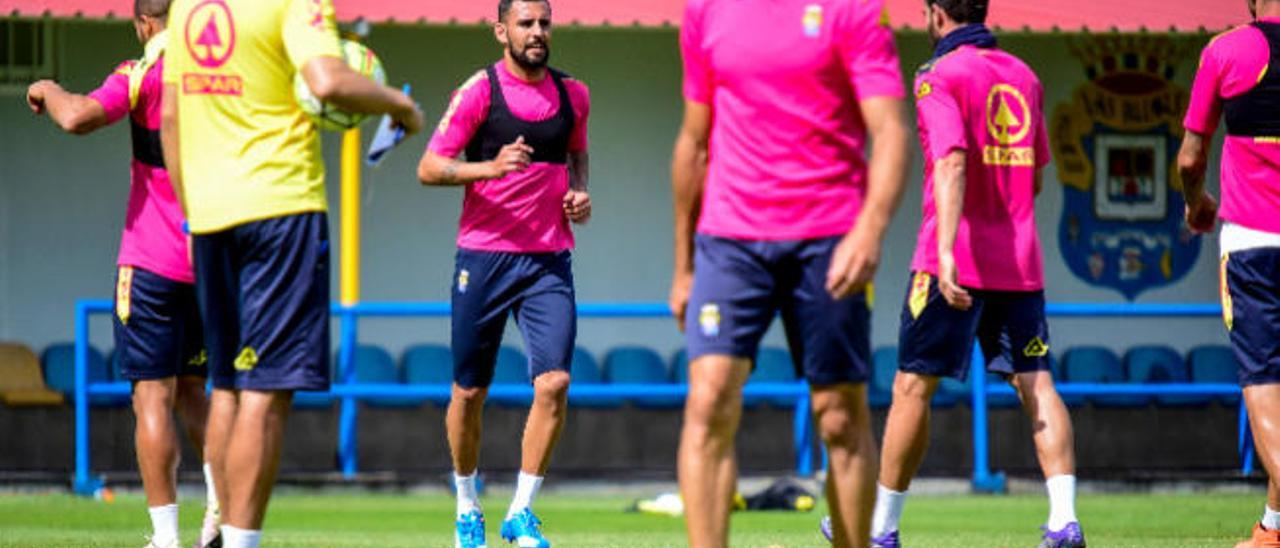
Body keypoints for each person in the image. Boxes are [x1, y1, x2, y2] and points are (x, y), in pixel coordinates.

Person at [161, 0, 423, 546]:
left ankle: (218, 531)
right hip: (280, 209)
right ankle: (241, 542)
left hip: (210, 219)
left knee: (228, 386)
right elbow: (326, 81)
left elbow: (169, 119)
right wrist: (399, 104)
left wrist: (194, 213)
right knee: (267, 388)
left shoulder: (184, 8)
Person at [841, 1, 1085, 547]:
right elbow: (1037, 178)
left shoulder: (939, 76)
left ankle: (880, 527)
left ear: (934, 14)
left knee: (912, 386)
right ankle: (1063, 520)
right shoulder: (1024, 75)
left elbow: (952, 160)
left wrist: (948, 252)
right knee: (1037, 384)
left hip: (951, 262)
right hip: (1019, 263)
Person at [670, 0, 911, 546]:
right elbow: (693, 141)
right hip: (729, 238)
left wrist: (868, 231)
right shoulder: (706, 11)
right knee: (707, 399)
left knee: (839, 418)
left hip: (828, 237)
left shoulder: (855, 11)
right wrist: (683, 266)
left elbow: (892, 131)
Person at [25, 1, 220, 546]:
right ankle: (221, 511)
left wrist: (46, 87)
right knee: (197, 393)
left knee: (152, 398)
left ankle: (166, 537)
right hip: (209, 262)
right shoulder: (220, 79)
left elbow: (77, 117)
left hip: (153, 263)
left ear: (144, 24)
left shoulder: (142, 72)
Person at [416, 0, 590, 545]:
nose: (538, 33)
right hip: (484, 257)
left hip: (547, 261)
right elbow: (429, 167)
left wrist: (580, 192)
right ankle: (468, 506)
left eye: (544, 23)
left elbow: (577, 154)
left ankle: (521, 512)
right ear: (501, 31)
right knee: (469, 393)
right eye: (526, 24)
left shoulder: (574, 95)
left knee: (555, 383)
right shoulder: (479, 93)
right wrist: (488, 168)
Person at [1180, 1, 1280, 546]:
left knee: (1264, 381)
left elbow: (1191, 158)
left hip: (1254, 244)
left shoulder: (1227, 50)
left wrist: (1195, 203)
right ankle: (1272, 528)